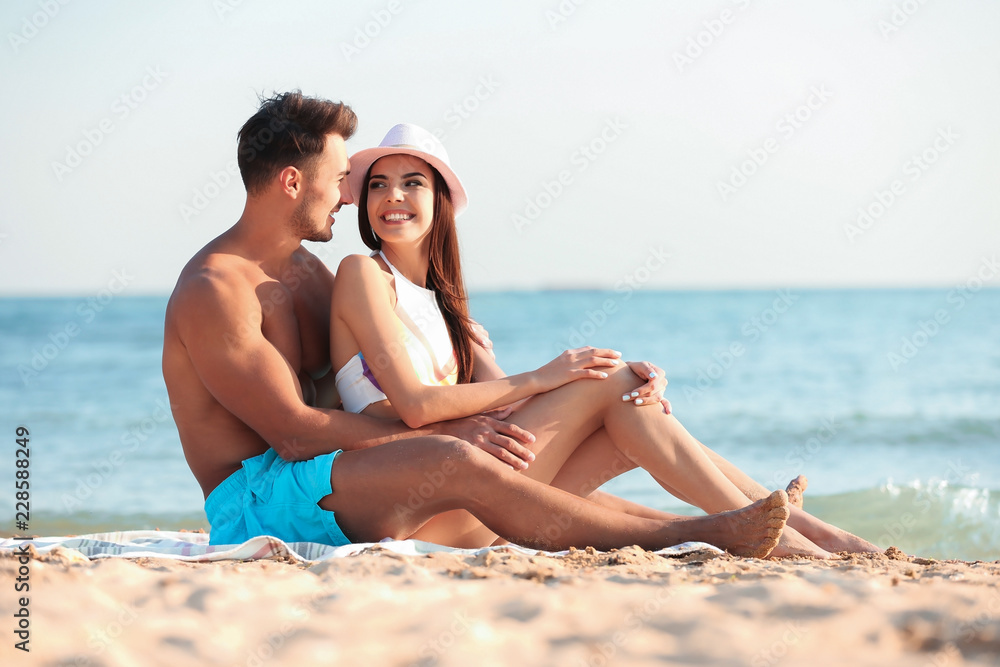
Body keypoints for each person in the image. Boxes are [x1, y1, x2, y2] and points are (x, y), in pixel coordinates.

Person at [162, 91, 791, 558]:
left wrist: (512, 388)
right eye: (339, 180)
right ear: (292, 181)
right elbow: (297, 435)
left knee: (596, 417)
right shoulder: (216, 289)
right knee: (457, 459)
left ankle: (797, 532)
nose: (349, 196)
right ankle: (693, 536)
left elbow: (367, 386)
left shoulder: (306, 275)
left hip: (334, 478)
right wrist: (453, 429)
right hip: (259, 503)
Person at [331, 123, 881, 558]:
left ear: (440, 202)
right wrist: (550, 375)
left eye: (412, 183)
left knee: (630, 399)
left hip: (480, 502)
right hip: (428, 506)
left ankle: (806, 531)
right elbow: (416, 404)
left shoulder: (447, 304)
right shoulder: (362, 275)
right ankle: (789, 538)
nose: (392, 197)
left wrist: (633, 386)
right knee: (611, 387)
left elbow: (512, 402)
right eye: (378, 184)